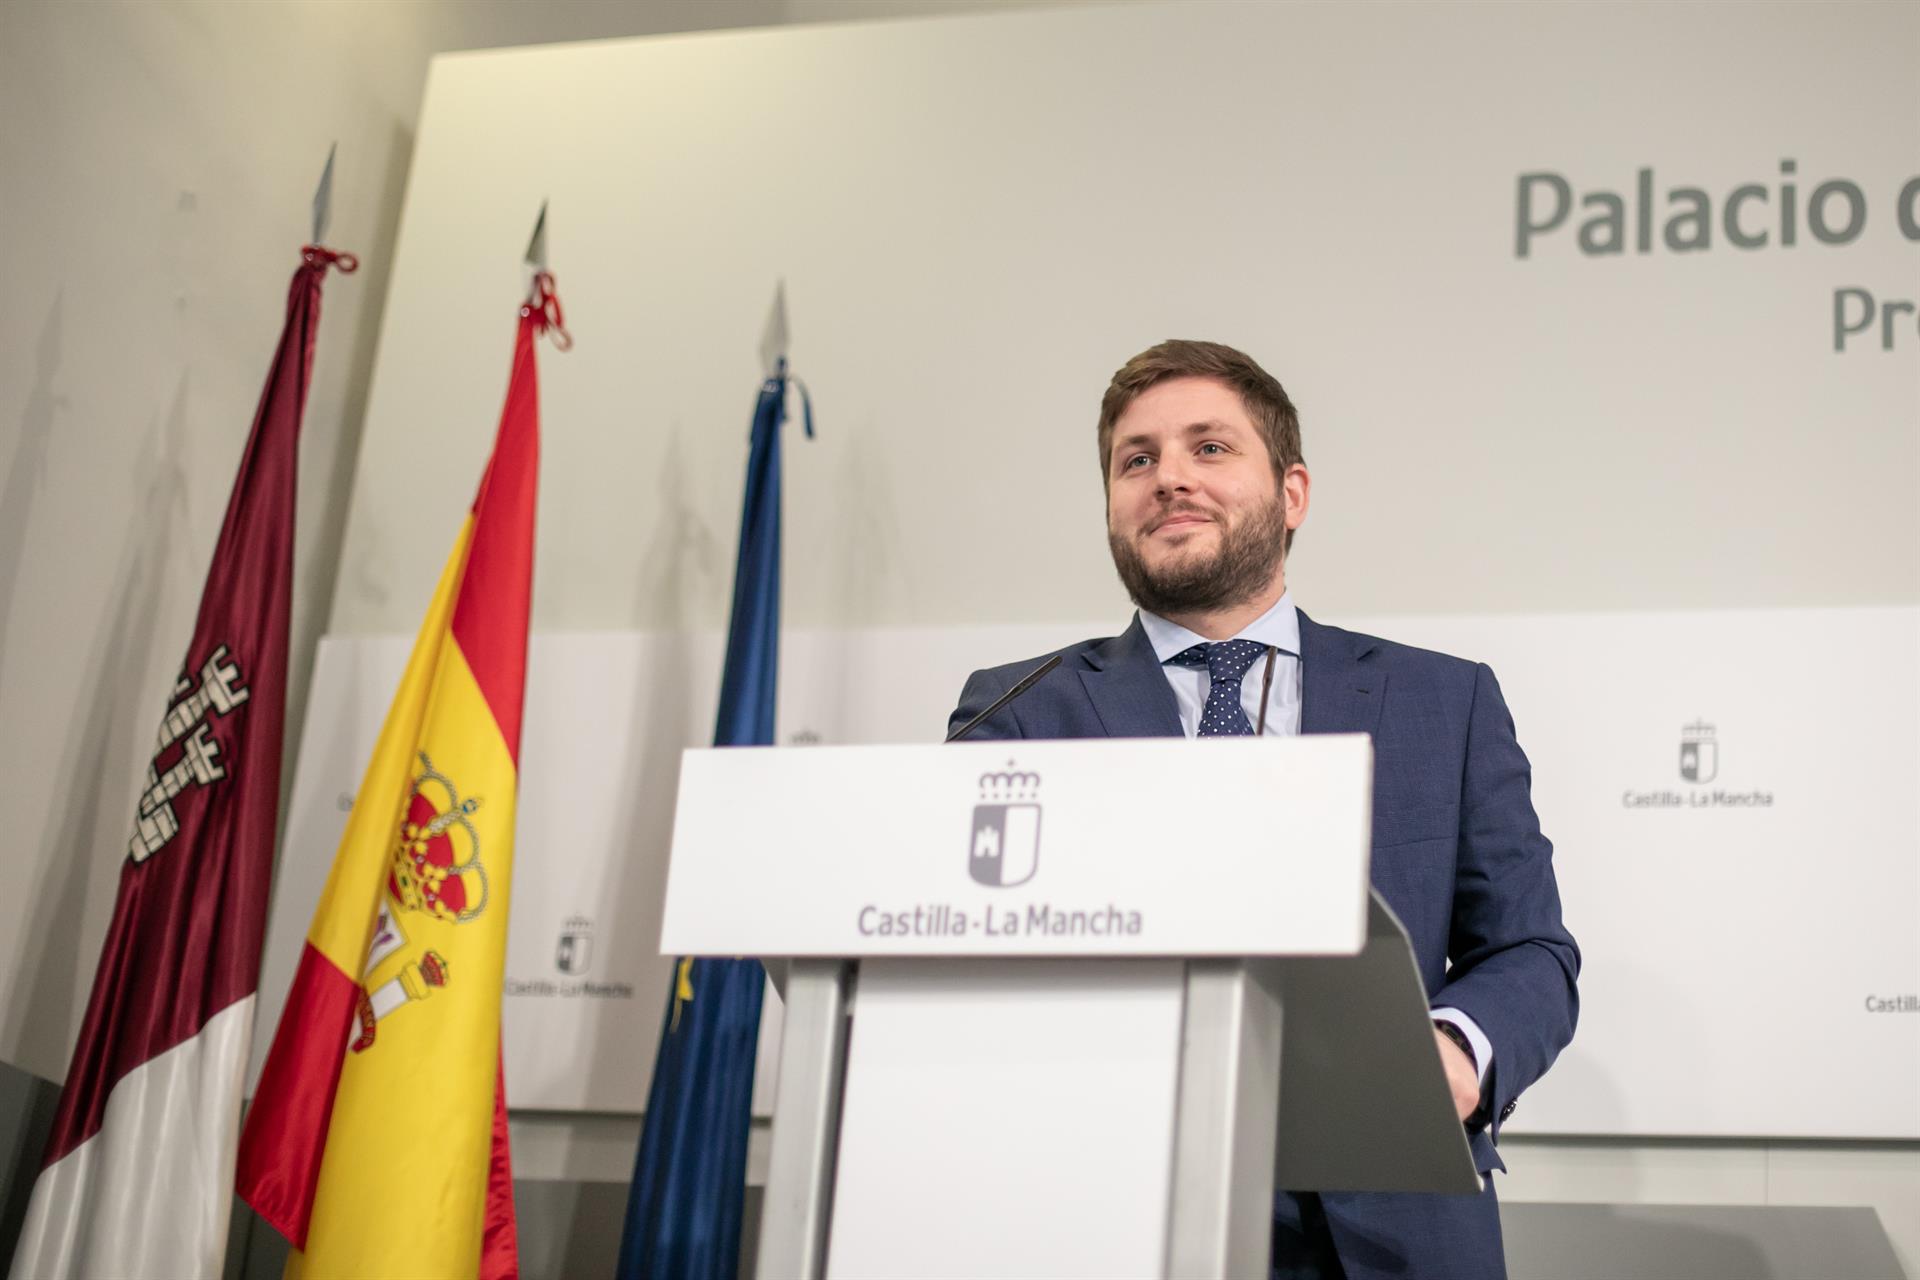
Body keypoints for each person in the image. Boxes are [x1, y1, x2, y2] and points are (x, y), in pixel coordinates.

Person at [946, 339, 1580, 1280]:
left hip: (1397, 1228)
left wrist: (1449, 1054)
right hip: (1108, 1220)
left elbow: (1529, 951)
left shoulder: (1444, 702)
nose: (1168, 478)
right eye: (1137, 459)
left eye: (1209, 448)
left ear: (1292, 495)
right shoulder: (1017, 712)